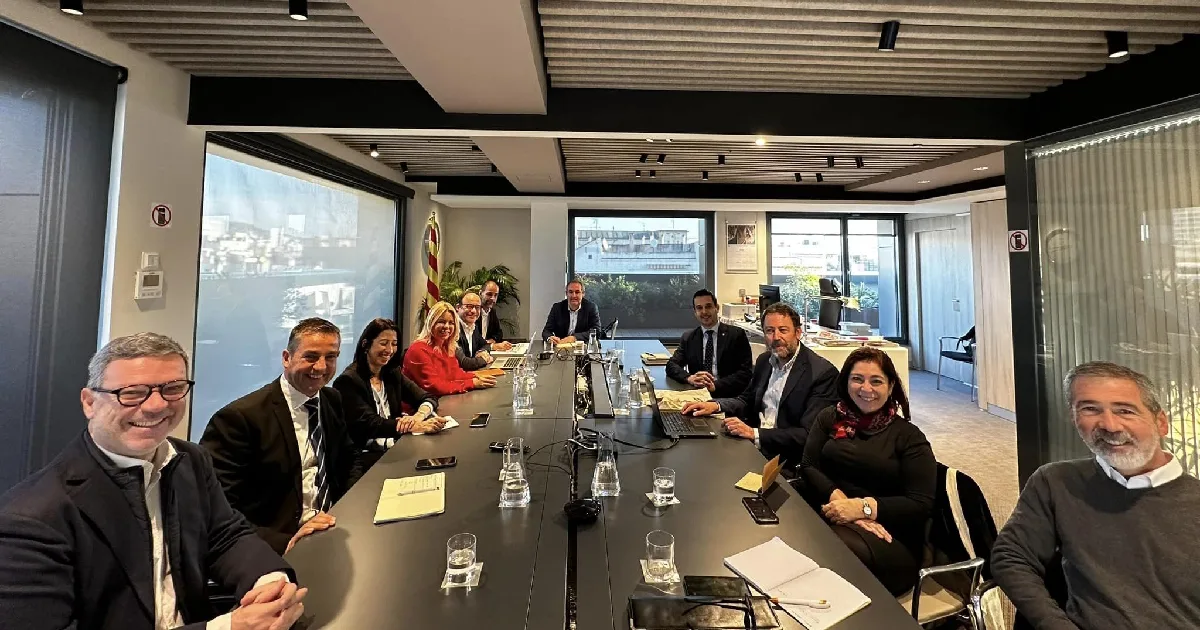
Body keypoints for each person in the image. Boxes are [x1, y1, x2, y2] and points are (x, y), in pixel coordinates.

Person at [0, 332, 306, 630]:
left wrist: (270, 583)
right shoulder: (29, 520)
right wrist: (227, 627)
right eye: (131, 392)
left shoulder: (191, 461)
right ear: (89, 402)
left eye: (173, 388)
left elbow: (226, 536)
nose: (157, 406)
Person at [992, 362, 1200, 630]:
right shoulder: (1056, 482)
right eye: (1090, 409)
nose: (1110, 425)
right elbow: (1011, 556)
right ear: (1074, 418)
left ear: (1161, 423)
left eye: (1125, 410)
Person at [201, 317, 357, 555]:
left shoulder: (331, 400)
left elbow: (348, 460)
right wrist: (287, 542)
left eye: (331, 357)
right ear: (286, 358)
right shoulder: (239, 418)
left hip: (333, 529)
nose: (322, 367)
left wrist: (351, 510)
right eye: (311, 357)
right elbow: (217, 508)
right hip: (280, 544)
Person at [798, 347, 935, 596]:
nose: (866, 389)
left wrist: (863, 509)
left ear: (891, 386)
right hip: (835, 513)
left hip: (890, 536)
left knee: (825, 550)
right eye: (857, 379)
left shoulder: (909, 437)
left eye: (876, 381)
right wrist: (843, 504)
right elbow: (809, 464)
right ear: (846, 381)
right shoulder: (829, 417)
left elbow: (921, 504)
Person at [682, 302, 838, 465]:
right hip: (753, 446)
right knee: (698, 458)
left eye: (783, 330)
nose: (776, 337)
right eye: (770, 331)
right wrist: (714, 405)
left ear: (798, 332)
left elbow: (808, 435)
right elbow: (746, 400)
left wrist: (754, 433)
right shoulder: (765, 361)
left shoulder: (822, 374)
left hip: (784, 459)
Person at [332, 318, 446, 473]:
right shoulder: (348, 381)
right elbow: (371, 424)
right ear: (366, 345)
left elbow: (427, 397)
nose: (390, 350)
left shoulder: (392, 373)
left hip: (395, 446)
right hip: (365, 458)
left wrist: (418, 417)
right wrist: (414, 427)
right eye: (383, 343)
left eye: (394, 343)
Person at [666, 289, 753, 398]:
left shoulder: (736, 335)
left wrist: (715, 385)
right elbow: (671, 365)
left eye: (708, 307)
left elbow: (745, 372)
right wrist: (689, 378)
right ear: (695, 312)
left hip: (728, 396)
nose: (704, 312)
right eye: (699, 308)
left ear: (717, 308)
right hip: (698, 395)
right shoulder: (689, 338)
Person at [403, 301, 498, 396]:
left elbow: (455, 374)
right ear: (431, 322)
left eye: (451, 323)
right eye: (441, 322)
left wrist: (476, 377)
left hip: (441, 401)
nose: (447, 327)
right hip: (419, 408)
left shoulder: (446, 347)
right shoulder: (418, 349)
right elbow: (434, 386)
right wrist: (472, 383)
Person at [542, 279, 601, 344]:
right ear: (566, 294)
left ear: (583, 294)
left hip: (583, 348)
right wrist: (549, 338)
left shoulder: (591, 308)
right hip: (562, 348)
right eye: (570, 292)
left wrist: (574, 338)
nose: (573, 296)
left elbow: (597, 332)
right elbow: (546, 331)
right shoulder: (557, 308)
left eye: (577, 292)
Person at [456, 291, 494, 371]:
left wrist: (482, 352)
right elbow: (464, 363)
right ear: (458, 307)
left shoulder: (473, 326)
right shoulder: (453, 328)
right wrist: (484, 359)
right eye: (469, 306)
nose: (473, 311)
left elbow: (486, 345)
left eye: (477, 307)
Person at [480, 279, 513, 350]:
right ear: (480, 293)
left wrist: (493, 340)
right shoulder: (473, 313)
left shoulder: (492, 312)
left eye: (495, 295)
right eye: (489, 294)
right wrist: (491, 345)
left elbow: (499, 333)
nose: (493, 298)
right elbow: (474, 341)